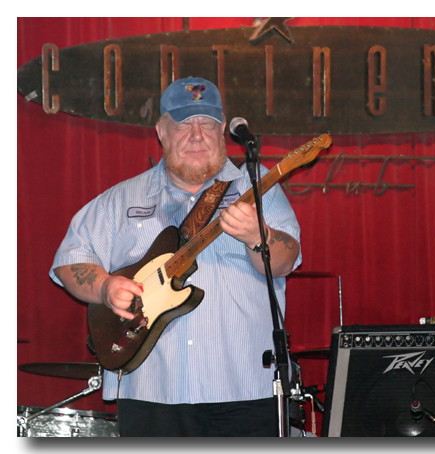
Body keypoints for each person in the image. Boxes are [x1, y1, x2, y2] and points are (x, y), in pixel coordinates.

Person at [49, 76, 302, 436]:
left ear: (221, 130)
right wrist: (104, 286)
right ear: (161, 132)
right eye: (183, 124)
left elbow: (285, 261)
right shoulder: (123, 198)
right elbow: (70, 259)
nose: (196, 135)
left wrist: (255, 236)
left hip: (245, 390)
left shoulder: (259, 188)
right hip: (151, 392)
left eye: (207, 124)